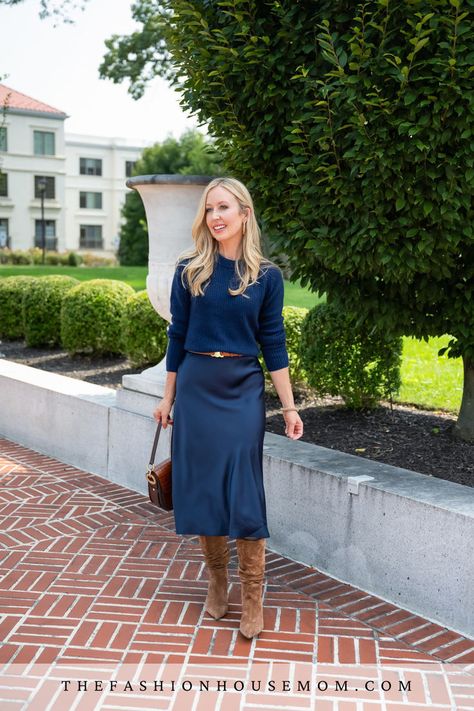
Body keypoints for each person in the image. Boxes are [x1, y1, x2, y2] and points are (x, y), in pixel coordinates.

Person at [153, 176, 303, 639]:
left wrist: (290, 407)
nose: (215, 217)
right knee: (203, 489)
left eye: (224, 208)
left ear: (244, 213)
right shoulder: (189, 269)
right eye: (209, 209)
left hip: (241, 388)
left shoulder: (266, 276)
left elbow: (273, 342)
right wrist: (167, 396)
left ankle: (253, 594)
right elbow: (177, 336)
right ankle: (217, 583)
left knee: (244, 487)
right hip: (197, 386)